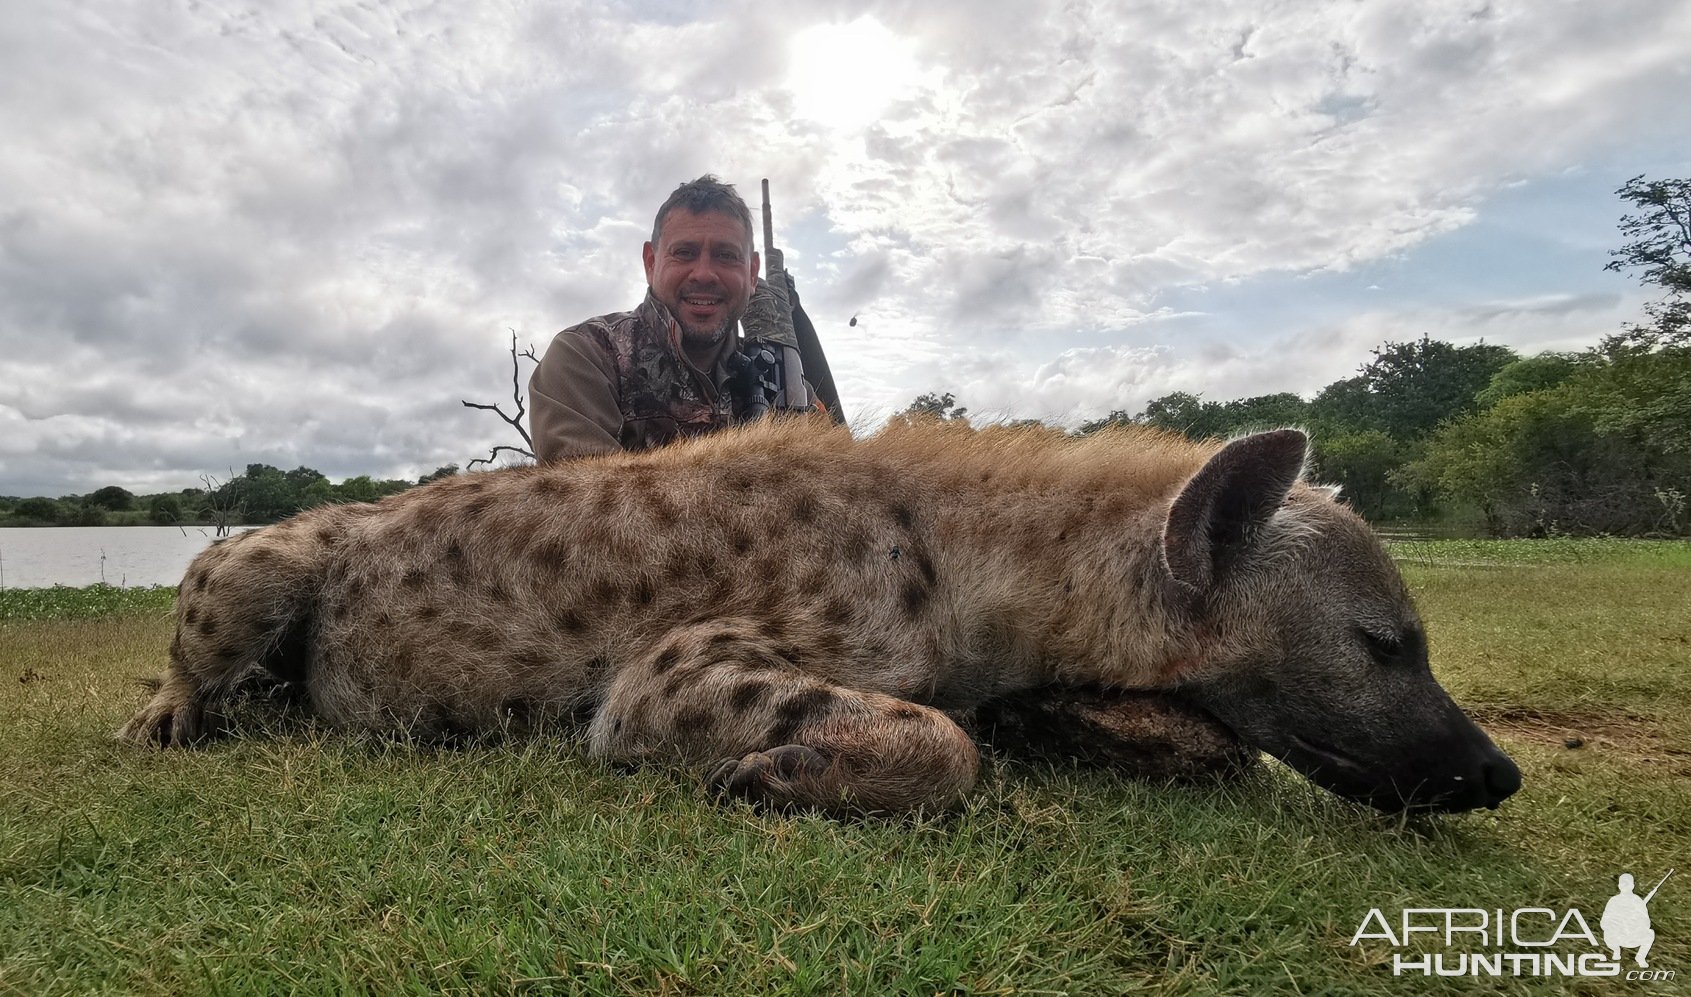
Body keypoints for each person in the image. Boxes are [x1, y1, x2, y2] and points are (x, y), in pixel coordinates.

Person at [528, 175, 821, 462]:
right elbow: (587, 502)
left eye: (726, 255)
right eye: (684, 253)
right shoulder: (586, 356)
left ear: (752, 272)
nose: (704, 274)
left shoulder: (787, 385)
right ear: (650, 262)